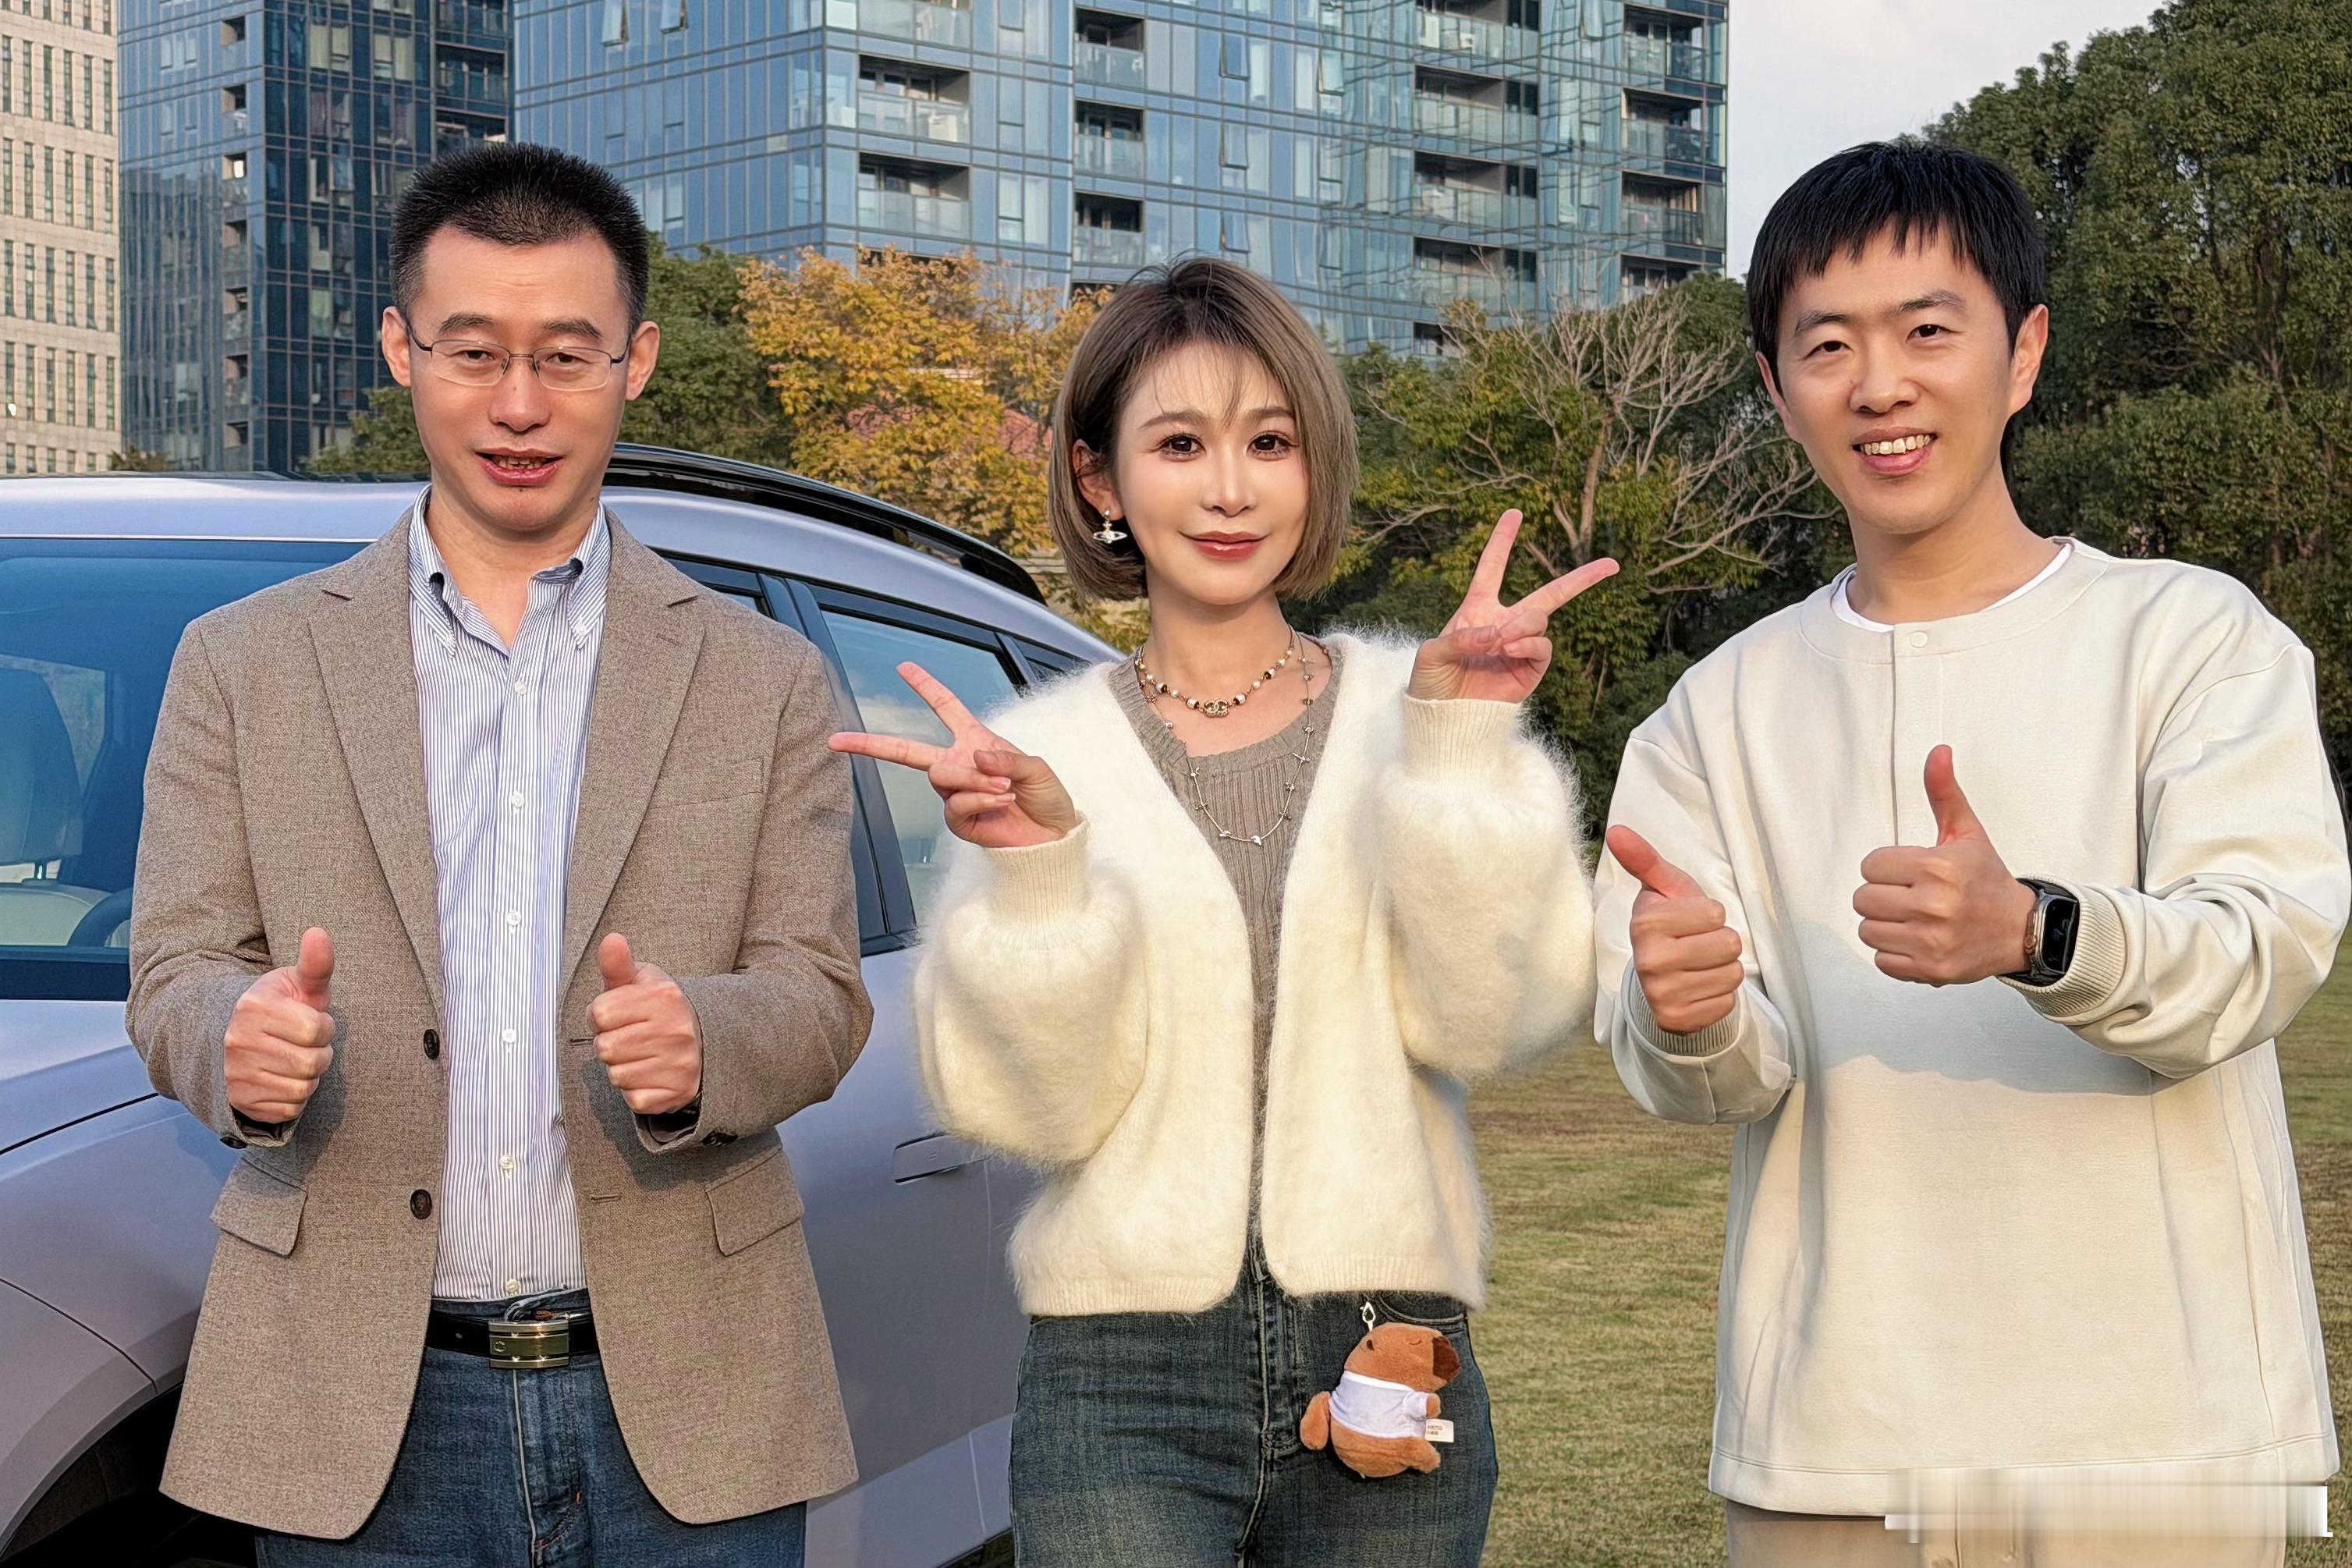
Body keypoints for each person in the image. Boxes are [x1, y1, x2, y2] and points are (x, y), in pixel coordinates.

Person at [1594, 140, 2348, 1567]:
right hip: (1837, 1449)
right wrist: (1687, 1014)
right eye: (1828, 345)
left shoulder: (2193, 637)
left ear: (2025, 353)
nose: (1880, 384)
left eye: (1928, 330)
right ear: (1775, 388)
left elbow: (2264, 947)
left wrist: (2039, 931)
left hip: (2161, 1445)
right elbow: (1714, 1072)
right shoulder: (1716, 711)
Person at [126, 142, 872, 1567]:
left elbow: (822, 994)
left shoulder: (760, 675)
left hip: (686, 1394)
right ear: (400, 349)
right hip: (358, 1402)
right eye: (473, 352)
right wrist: (230, 1036)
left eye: (565, 356)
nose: (519, 405)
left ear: (636, 361)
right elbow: (172, 968)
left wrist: (707, 1040)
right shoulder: (241, 664)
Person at [830, 257, 1611, 1566]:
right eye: (1181, 443)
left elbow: (1494, 1022)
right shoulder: (1039, 750)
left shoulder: (1421, 709)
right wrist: (1040, 875)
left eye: (1270, 441)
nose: (1232, 488)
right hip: (1119, 1375)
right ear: (1100, 478)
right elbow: (1030, 1113)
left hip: (1386, 1344)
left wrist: (1460, 754)